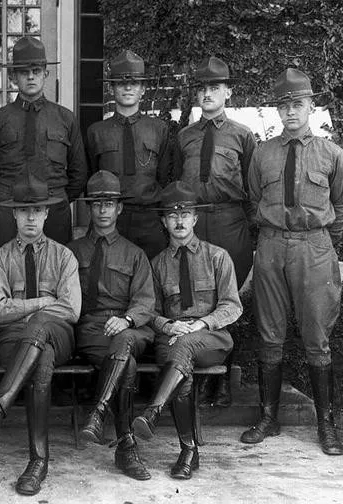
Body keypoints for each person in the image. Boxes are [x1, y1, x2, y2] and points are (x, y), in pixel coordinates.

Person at [241, 68, 343, 456]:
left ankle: (326, 425)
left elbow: (342, 205)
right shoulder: (263, 153)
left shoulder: (331, 154)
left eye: (297, 104)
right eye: (283, 106)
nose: (290, 113)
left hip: (314, 249)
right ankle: (269, 418)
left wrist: (325, 246)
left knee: (317, 338)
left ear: (311, 107)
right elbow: (253, 199)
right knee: (270, 333)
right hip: (270, 247)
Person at [0, 176, 80, 496]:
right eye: (24, 211)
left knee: (41, 329)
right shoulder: (0, 258)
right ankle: (37, 461)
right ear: (13, 215)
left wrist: (29, 312)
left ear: (46, 214)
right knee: (40, 359)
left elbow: (71, 310)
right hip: (12, 341)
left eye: (37, 210)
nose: (31, 217)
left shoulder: (63, 257)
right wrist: (43, 303)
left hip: (59, 337)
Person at [132, 181, 241, 479]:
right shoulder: (156, 265)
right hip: (171, 336)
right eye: (172, 215)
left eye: (186, 214)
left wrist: (201, 323)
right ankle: (188, 451)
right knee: (182, 370)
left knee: (185, 347)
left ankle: (153, 411)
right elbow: (148, 310)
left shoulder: (217, 257)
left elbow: (232, 306)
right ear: (164, 221)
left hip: (211, 339)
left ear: (195, 218)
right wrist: (167, 324)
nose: (179, 221)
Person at [175, 56, 257, 407]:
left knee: (228, 296)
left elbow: (254, 189)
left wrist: (252, 235)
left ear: (228, 91)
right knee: (194, 293)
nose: (207, 94)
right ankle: (194, 371)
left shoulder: (242, 135)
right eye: (202, 88)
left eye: (214, 88)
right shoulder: (184, 137)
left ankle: (224, 379)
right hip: (195, 223)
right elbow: (177, 183)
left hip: (229, 222)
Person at [68, 170, 155, 480]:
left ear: (120, 208)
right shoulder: (73, 251)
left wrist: (127, 319)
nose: (103, 210)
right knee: (127, 364)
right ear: (89, 209)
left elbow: (146, 302)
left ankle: (99, 415)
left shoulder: (134, 254)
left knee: (125, 345)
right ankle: (126, 448)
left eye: (109, 204)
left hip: (131, 327)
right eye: (96, 204)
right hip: (92, 330)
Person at [0, 36, 88, 251]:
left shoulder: (65, 118)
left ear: (46, 74)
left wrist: (58, 200)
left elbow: (79, 172)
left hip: (54, 206)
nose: (31, 77)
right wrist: (8, 198)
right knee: (7, 271)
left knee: (55, 273)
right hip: (8, 207)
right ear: (13, 76)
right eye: (23, 72)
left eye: (36, 71)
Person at [85, 49, 172, 260]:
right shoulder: (96, 131)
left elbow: (166, 177)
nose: (128, 87)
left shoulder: (158, 129)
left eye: (134, 82)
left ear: (143, 89)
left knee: (152, 282)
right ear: (112, 88)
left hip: (149, 219)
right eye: (121, 83)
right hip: (111, 220)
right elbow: (90, 176)